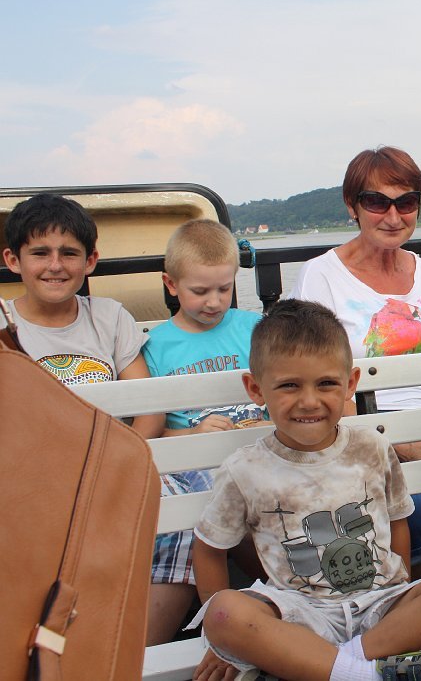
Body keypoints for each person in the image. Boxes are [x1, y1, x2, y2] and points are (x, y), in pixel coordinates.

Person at [190, 299, 421, 681]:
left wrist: (401, 597)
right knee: (224, 613)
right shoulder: (244, 469)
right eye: (289, 385)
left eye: (326, 383)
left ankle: (338, 667)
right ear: (256, 389)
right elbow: (208, 549)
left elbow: (397, 522)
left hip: (380, 605)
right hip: (299, 615)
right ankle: (369, 674)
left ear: (350, 384)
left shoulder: (372, 447)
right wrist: (219, 642)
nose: (309, 401)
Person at [288, 146, 421, 578]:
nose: (393, 216)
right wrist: (394, 445)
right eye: (377, 202)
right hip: (368, 432)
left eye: (406, 201)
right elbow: (316, 387)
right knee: (412, 511)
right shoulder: (321, 277)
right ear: (352, 206)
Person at [141, 218, 268, 646]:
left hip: (256, 450)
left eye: (224, 289)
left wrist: (268, 421)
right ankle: (258, 602)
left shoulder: (253, 329)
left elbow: (281, 394)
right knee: (228, 501)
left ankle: (286, 593)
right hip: (197, 464)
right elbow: (154, 432)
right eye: (200, 291)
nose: (214, 302)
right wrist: (194, 435)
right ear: (171, 285)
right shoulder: (156, 346)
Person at [0, 192, 163, 438]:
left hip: (110, 453)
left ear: (90, 261)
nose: (55, 266)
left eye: (69, 253)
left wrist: (115, 458)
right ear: (13, 260)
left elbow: (150, 410)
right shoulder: (3, 323)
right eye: (40, 253)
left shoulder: (109, 317)